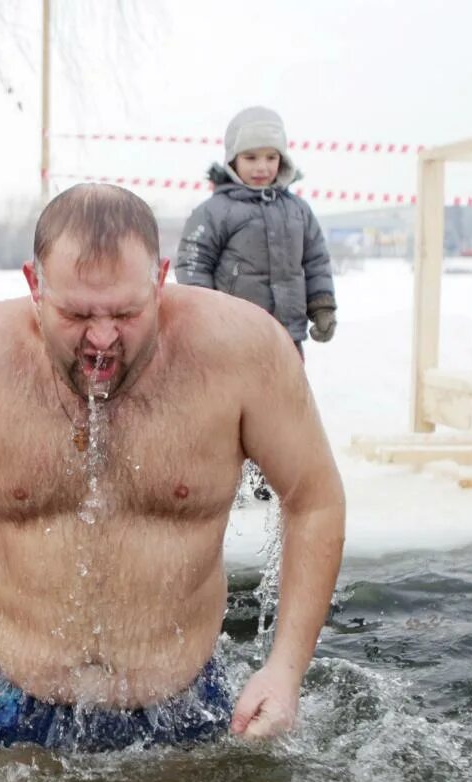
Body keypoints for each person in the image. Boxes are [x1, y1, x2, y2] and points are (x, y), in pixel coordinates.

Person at [0, 183, 346, 750]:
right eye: (75, 314)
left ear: (161, 277)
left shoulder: (243, 353)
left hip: (184, 708)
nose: (101, 339)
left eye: (126, 312)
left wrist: (285, 670)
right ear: (34, 284)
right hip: (3, 699)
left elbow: (314, 499)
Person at [175, 107, 336, 502]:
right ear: (232, 161)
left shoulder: (298, 211)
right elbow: (193, 263)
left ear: (283, 159)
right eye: (250, 158)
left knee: (283, 408)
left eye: (270, 156)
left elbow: (315, 260)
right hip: (234, 339)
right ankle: (224, 478)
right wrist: (207, 315)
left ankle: (271, 476)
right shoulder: (215, 212)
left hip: (286, 335)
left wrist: (322, 305)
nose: (262, 166)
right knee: (230, 409)